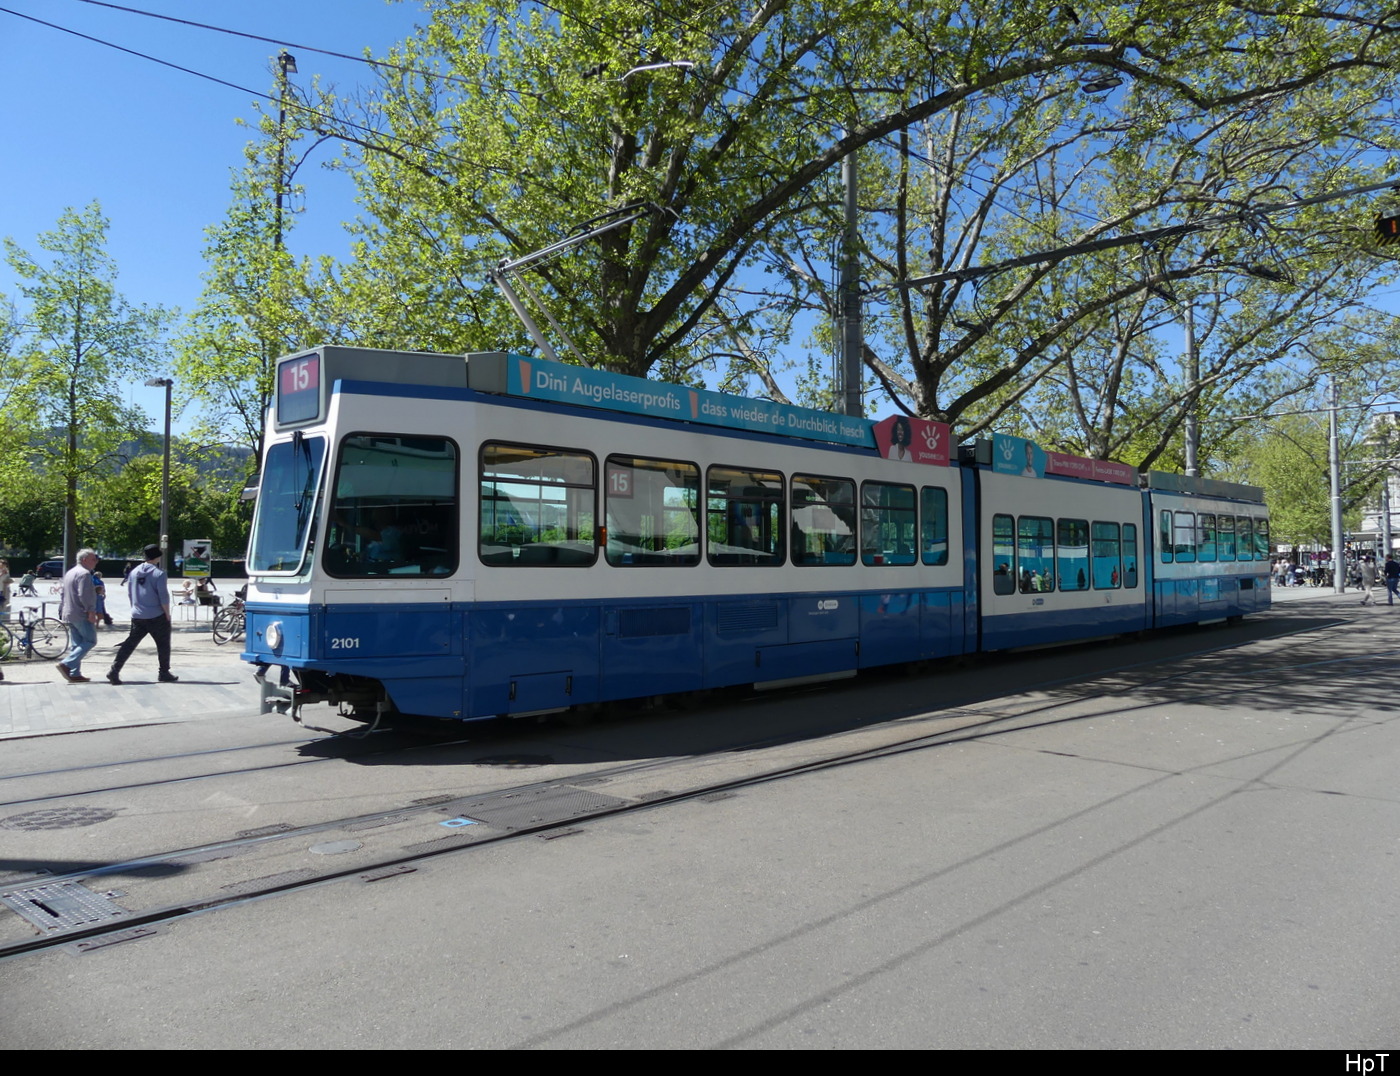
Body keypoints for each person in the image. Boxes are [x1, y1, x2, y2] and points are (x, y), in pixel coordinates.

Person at [106, 543, 178, 685]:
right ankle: (164, 672)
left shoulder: (133, 572)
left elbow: (130, 593)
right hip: (156, 614)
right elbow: (163, 596)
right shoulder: (159, 573)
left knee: (129, 644)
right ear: (157, 557)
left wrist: (135, 607)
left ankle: (114, 669)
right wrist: (167, 614)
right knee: (163, 644)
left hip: (138, 614)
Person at [56, 549, 100, 683]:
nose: (96, 562)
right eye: (93, 559)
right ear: (84, 559)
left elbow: (63, 593)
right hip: (81, 613)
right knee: (90, 640)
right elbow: (85, 595)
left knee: (77, 644)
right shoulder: (84, 574)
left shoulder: (70, 572)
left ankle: (74, 673)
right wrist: (91, 611)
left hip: (69, 612)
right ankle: (67, 664)